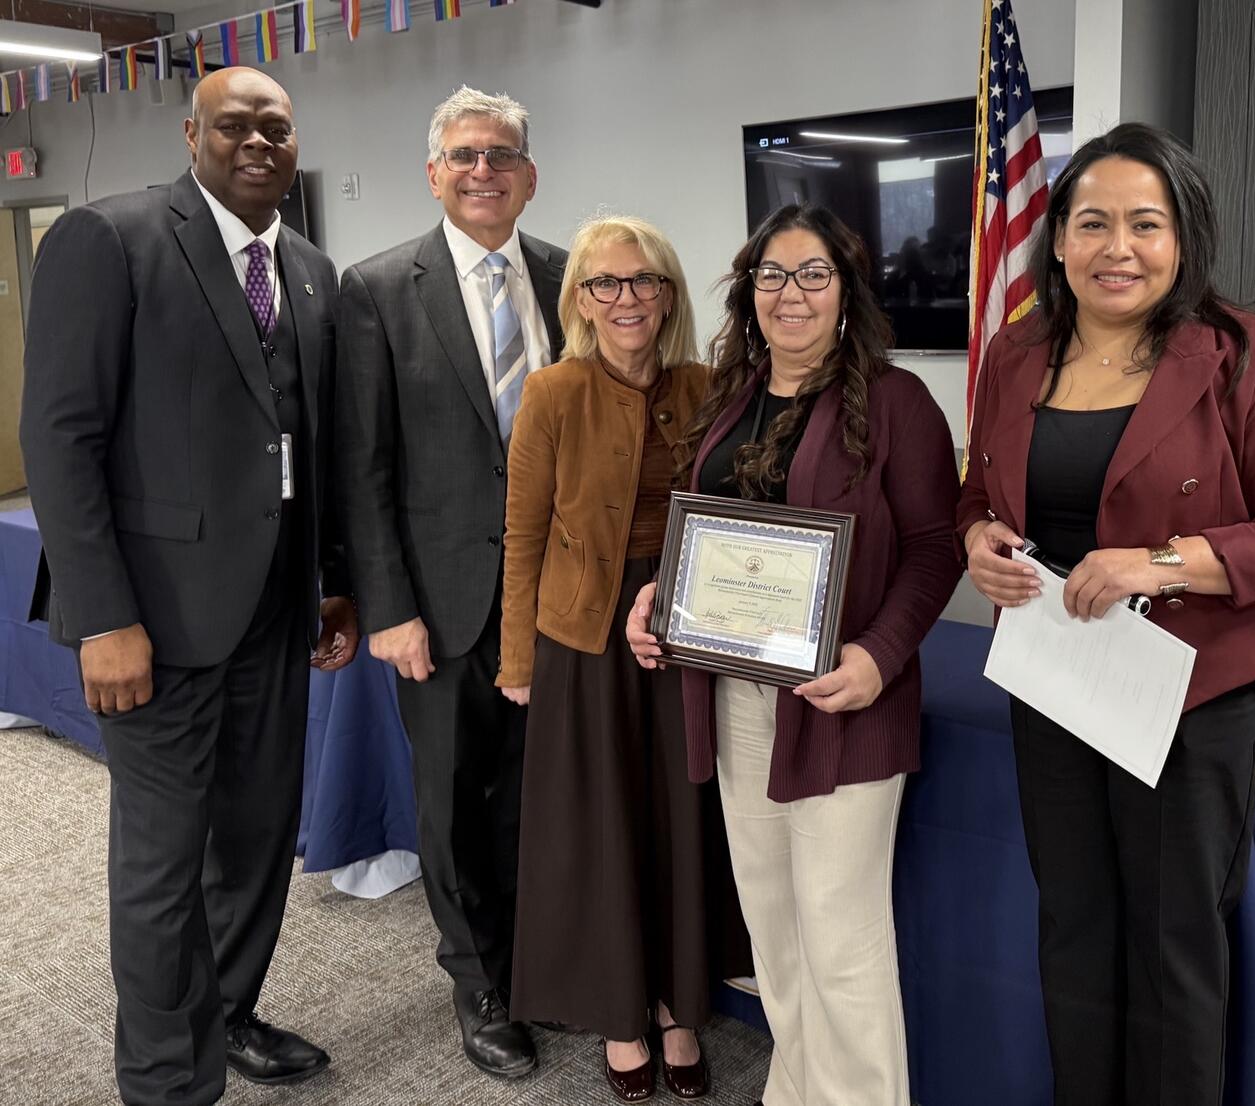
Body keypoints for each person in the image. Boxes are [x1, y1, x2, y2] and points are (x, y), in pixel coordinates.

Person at [957, 122, 1255, 1105]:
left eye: (1146, 223)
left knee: (1173, 940)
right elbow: (977, 493)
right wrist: (975, 539)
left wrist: (1160, 563)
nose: (1117, 247)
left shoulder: (1244, 355)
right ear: (1055, 240)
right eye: (1091, 222)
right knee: (1074, 922)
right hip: (1053, 680)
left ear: (1181, 237)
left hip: (1187, 695)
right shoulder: (1016, 354)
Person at [19, 68, 358, 1104]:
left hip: (272, 613)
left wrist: (331, 582)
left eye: (277, 125)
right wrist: (105, 617)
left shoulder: (307, 268)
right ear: (191, 132)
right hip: (151, 622)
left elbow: (308, 443)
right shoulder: (108, 238)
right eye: (235, 123)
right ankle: (168, 1079)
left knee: (257, 837)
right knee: (165, 862)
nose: (259, 140)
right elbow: (60, 439)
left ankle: (231, 1011)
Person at [627, 204, 963, 1106]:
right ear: (749, 293)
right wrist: (659, 600)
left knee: (841, 938)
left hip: (842, 704)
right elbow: (707, 535)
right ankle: (795, 1091)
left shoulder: (898, 403)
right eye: (771, 275)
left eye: (814, 274)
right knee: (773, 928)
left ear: (847, 293)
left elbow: (937, 547)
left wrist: (879, 657)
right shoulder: (727, 397)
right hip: (735, 699)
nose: (791, 293)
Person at [334, 86, 564, 1079]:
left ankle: (540, 962)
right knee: (454, 804)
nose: (483, 170)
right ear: (434, 173)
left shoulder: (570, 275)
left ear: (529, 175)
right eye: (464, 154)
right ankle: (479, 983)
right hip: (441, 604)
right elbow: (363, 461)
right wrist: (388, 607)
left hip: (560, 600)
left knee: (537, 795)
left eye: (501, 154)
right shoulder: (378, 287)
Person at [497, 215, 746, 1102]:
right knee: (601, 831)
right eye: (606, 283)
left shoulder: (708, 385)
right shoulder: (552, 393)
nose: (626, 298)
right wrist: (517, 661)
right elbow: (522, 535)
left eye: (644, 282)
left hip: (685, 630)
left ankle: (681, 1009)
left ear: (669, 295)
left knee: (682, 820)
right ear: (580, 301)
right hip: (583, 640)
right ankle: (619, 1015)